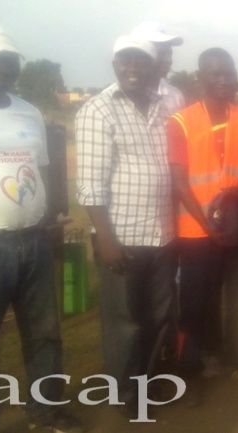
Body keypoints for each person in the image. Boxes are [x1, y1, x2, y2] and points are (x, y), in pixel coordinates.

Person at [0, 26, 83, 433]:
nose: (2, 68)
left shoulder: (29, 112)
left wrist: (52, 218)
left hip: (34, 241)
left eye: (9, 61)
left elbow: (45, 171)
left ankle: (46, 413)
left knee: (46, 336)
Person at [76, 35, 177, 418]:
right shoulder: (98, 109)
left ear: (154, 65)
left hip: (163, 233)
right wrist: (105, 239)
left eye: (140, 61)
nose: (132, 67)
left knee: (159, 314)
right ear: (115, 64)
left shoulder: (165, 104)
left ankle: (148, 385)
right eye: (124, 61)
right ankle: (124, 394)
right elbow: (90, 182)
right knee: (125, 321)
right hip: (122, 237)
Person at [168, 47, 238, 378]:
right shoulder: (181, 121)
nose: (222, 80)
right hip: (197, 231)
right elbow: (180, 183)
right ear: (201, 77)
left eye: (228, 73)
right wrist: (208, 225)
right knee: (196, 303)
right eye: (214, 73)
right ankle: (194, 368)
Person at [132, 21, 185, 114]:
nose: (168, 60)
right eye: (161, 53)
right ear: (139, 53)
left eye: (169, 54)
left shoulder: (175, 97)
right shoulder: (110, 101)